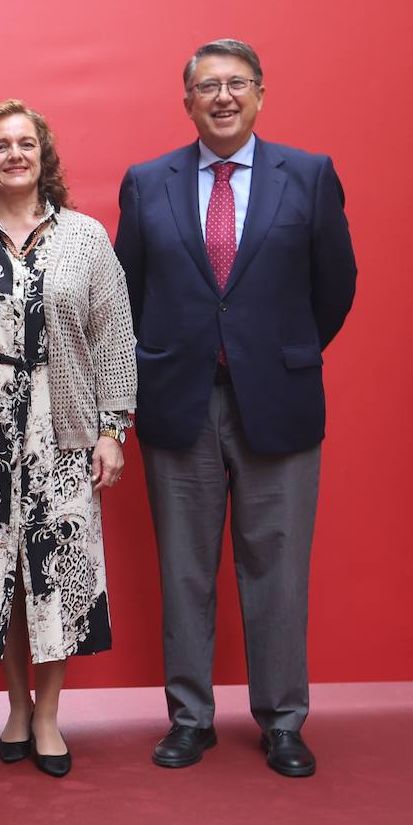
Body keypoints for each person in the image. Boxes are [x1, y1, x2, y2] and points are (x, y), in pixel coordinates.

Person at [114, 39, 356, 778]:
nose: (223, 97)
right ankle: (191, 717)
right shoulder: (147, 181)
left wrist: (277, 353)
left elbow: (335, 285)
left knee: (277, 571)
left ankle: (284, 720)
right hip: (177, 403)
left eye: (237, 84)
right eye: (207, 86)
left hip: (276, 404)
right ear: (186, 100)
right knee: (184, 570)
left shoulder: (308, 176)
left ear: (260, 95)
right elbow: (127, 289)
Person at [0, 100, 136, 778]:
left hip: (60, 427)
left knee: (53, 573)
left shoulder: (87, 238)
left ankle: (48, 714)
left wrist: (111, 429)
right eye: (1, 144)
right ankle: (15, 705)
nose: (15, 154)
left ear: (44, 157)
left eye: (26, 143)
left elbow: (114, 340)